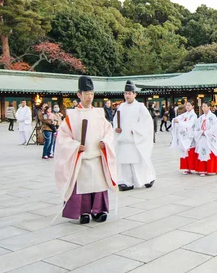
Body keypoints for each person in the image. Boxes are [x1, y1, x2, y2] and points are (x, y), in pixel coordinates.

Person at [55, 75, 117, 224]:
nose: (90, 97)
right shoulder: (72, 115)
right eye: (86, 94)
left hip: (96, 155)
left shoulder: (99, 113)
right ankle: (82, 212)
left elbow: (109, 131)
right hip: (81, 157)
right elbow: (62, 136)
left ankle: (98, 210)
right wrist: (75, 146)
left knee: (98, 184)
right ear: (79, 94)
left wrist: (105, 141)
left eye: (91, 94)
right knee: (81, 186)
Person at [113, 80, 156, 191]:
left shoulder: (140, 107)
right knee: (124, 164)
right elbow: (115, 122)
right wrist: (116, 129)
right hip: (123, 139)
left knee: (139, 163)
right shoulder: (121, 107)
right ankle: (125, 182)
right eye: (125, 93)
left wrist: (137, 130)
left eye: (129, 93)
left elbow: (146, 122)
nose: (127, 95)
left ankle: (147, 179)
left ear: (134, 94)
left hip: (135, 140)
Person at [194, 102, 217, 176]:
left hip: (209, 138)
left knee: (210, 152)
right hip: (202, 137)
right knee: (202, 152)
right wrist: (200, 132)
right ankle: (202, 169)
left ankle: (212, 169)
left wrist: (207, 133)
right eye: (202, 106)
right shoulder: (201, 118)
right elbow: (197, 127)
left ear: (208, 107)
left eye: (205, 106)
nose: (203, 108)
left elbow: (215, 127)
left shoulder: (213, 117)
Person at [171, 100, 198, 174]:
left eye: (189, 105)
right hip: (184, 136)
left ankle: (191, 167)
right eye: (187, 105)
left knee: (190, 152)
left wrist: (179, 122)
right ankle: (186, 167)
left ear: (193, 106)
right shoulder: (184, 114)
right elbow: (177, 118)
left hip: (190, 136)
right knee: (184, 151)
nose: (187, 107)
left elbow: (189, 124)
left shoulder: (193, 115)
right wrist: (175, 120)